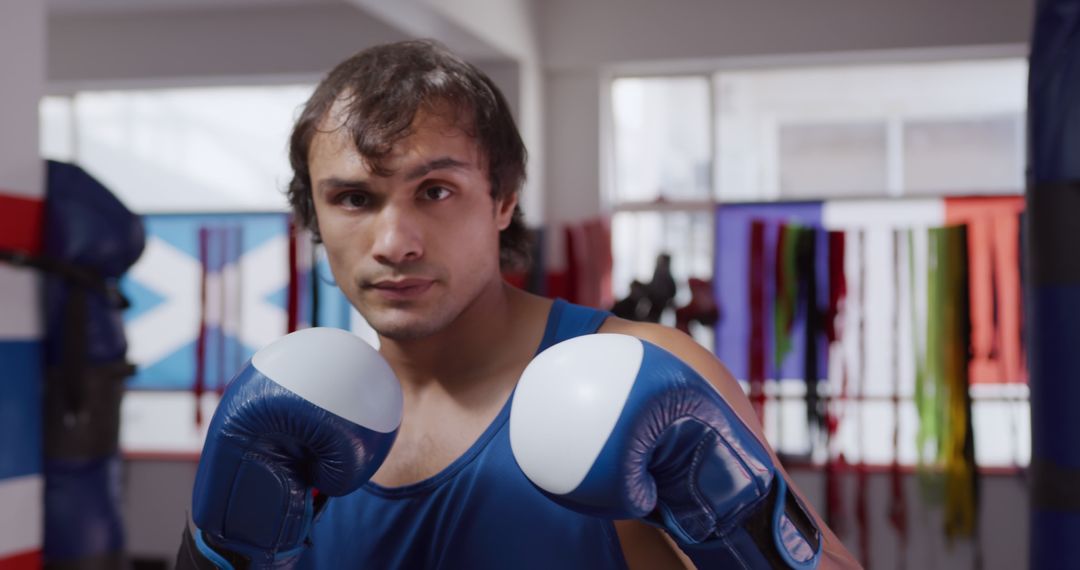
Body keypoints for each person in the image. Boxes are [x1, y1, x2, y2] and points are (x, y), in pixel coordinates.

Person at [179, 39, 859, 569]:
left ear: (503, 201)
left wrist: (732, 512)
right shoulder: (292, 417)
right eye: (354, 198)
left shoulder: (642, 371)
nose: (394, 242)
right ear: (314, 218)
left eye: (436, 191)